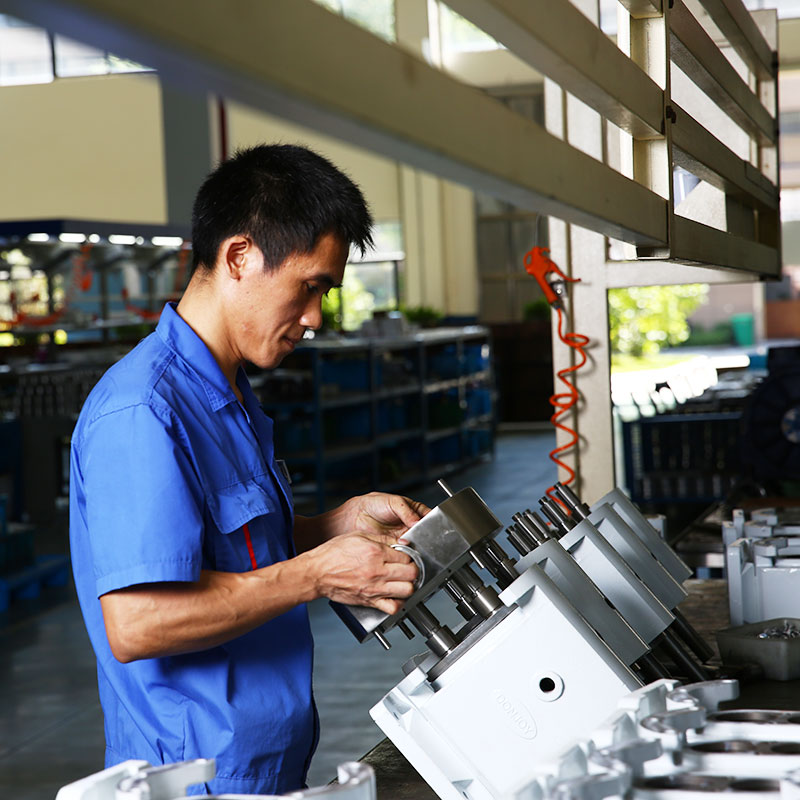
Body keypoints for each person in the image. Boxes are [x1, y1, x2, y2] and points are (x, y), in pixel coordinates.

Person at [69, 144, 427, 796]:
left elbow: (230, 549)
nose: (314, 318)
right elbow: (139, 621)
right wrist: (317, 573)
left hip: (260, 766)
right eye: (309, 287)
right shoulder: (144, 411)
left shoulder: (225, 395)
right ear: (239, 257)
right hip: (195, 778)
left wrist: (334, 527)